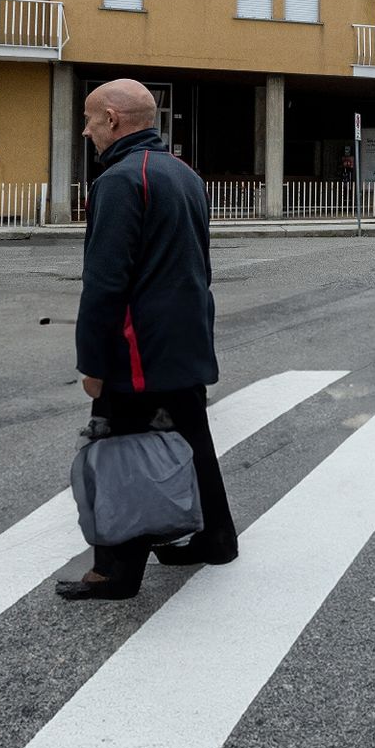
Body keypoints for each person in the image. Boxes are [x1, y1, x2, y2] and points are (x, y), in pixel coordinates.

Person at [59, 79, 236, 601]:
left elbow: (106, 283)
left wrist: (93, 362)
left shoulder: (118, 180)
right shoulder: (183, 173)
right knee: (192, 439)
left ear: (113, 119)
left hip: (136, 347)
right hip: (185, 337)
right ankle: (215, 539)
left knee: (120, 449)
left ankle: (114, 574)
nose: (86, 130)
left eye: (91, 119)